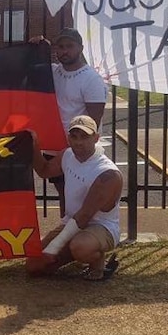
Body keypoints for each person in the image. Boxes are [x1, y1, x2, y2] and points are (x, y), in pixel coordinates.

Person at [26, 115, 122, 280]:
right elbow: (44, 171)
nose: (78, 142)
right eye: (74, 136)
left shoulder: (107, 173)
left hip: (101, 227)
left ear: (96, 138)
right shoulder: (67, 155)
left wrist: (55, 247)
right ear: (68, 137)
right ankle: (73, 252)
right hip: (71, 223)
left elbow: (85, 215)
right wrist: (33, 144)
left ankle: (97, 262)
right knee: (34, 267)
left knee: (81, 247)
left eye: (85, 136)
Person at [31, 27, 108, 218]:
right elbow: (26, 67)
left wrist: (77, 146)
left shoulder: (91, 79)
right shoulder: (53, 72)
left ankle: (81, 233)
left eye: (70, 46)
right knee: (63, 192)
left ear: (80, 48)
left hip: (77, 147)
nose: (64, 51)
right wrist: (34, 47)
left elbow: (93, 122)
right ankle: (67, 231)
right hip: (53, 147)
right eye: (60, 47)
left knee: (79, 193)